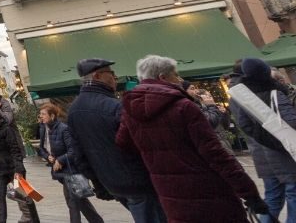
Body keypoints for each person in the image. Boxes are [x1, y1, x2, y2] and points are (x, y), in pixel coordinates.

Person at [117, 54, 267, 223]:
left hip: (170, 194)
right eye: (176, 75)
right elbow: (216, 153)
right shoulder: (183, 106)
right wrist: (249, 192)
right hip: (208, 191)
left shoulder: (129, 111)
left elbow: (124, 143)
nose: (179, 79)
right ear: (163, 77)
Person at [67, 58, 165, 223]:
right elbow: (140, 143)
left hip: (112, 183)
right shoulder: (113, 106)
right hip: (138, 181)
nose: (115, 77)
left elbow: (79, 154)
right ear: (97, 76)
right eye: (111, 73)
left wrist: (98, 183)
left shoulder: (74, 110)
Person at [229, 57, 296, 223]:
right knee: (292, 192)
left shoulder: (239, 95)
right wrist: (277, 140)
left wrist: (264, 139)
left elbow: (245, 125)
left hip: (262, 152)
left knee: (273, 195)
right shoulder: (272, 91)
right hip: (284, 151)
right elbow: (291, 121)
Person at [37, 103, 104, 223]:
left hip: (73, 170)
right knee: (80, 201)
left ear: (52, 116)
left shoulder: (64, 129)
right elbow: (41, 148)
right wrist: (48, 157)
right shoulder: (43, 128)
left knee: (72, 202)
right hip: (62, 172)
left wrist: (60, 159)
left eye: (43, 114)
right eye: (40, 114)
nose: (40, 116)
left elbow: (73, 150)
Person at [0, 106, 35, 223]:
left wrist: (18, 169)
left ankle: (31, 218)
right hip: (0, 170)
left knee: (23, 196)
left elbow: (15, 150)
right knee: (0, 196)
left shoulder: (6, 129)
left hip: (13, 169)